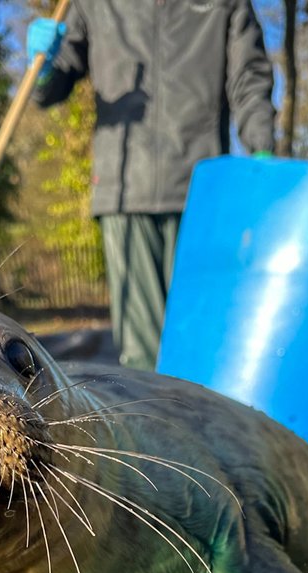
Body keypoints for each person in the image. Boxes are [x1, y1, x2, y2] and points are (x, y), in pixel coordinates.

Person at [29, 2, 275, 371]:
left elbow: (249, 76)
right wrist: (43, 66)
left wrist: (262, 147)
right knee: (144, 357)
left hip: (199, 187)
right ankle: (151, 426)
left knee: (197, 344)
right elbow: (53, 86)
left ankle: (197, 425)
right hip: (125, 189)